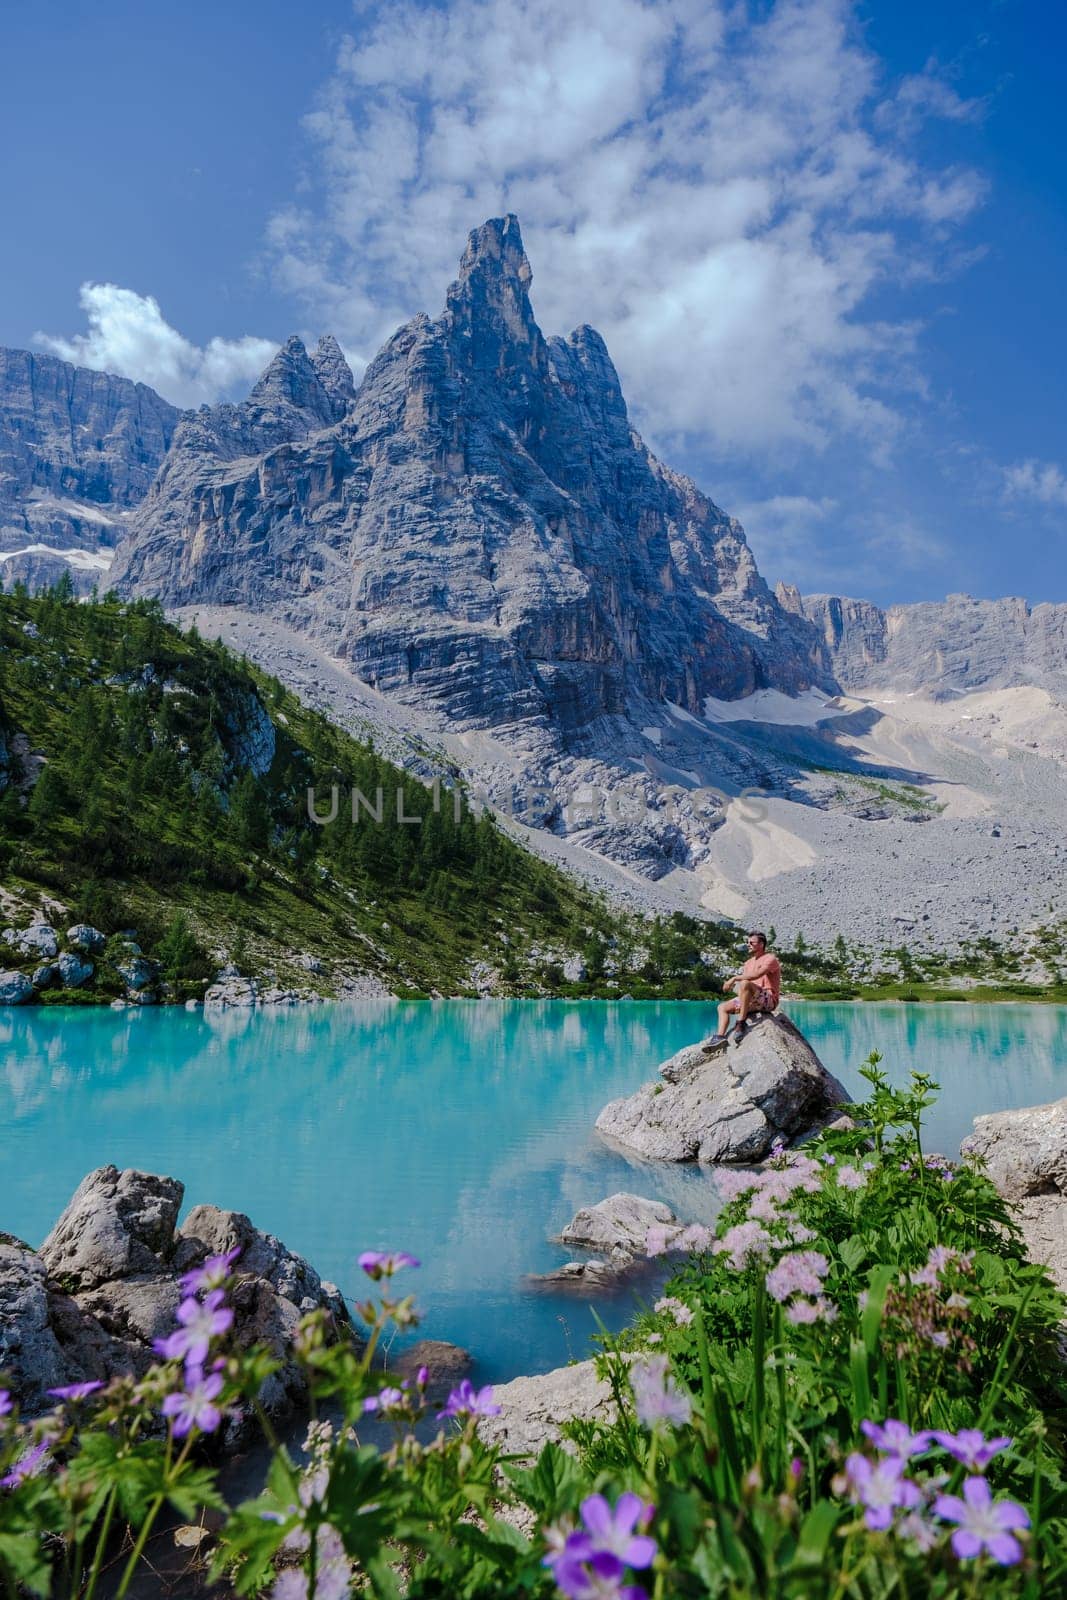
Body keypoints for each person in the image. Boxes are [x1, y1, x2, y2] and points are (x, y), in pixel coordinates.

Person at [708, 930, 781, 1047]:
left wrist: (734, 979)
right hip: (752, 1000)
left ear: (761, 944)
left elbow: (756, 975)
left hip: (768, 1000)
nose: (748, 945)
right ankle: (720, 1037)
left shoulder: (770, 959)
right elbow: (746, 986)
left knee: (745, 983)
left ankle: (740, 1023)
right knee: (722, 1007)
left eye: (752, 943)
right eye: (748, 942)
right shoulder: (748, 963)